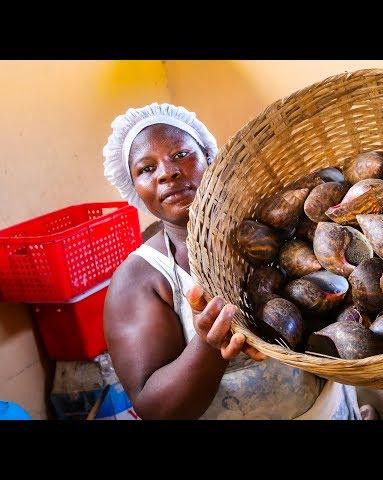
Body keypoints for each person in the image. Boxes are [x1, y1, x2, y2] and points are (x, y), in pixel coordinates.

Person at [102, 103, 361, 420]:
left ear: (210, 160)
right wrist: (209, 346)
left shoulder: (270, 226)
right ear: (135, 188)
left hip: (331, 410)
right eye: (146, 169)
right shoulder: (141, 279)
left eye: (181, 155)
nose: (167, 172)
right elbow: (154, 409)